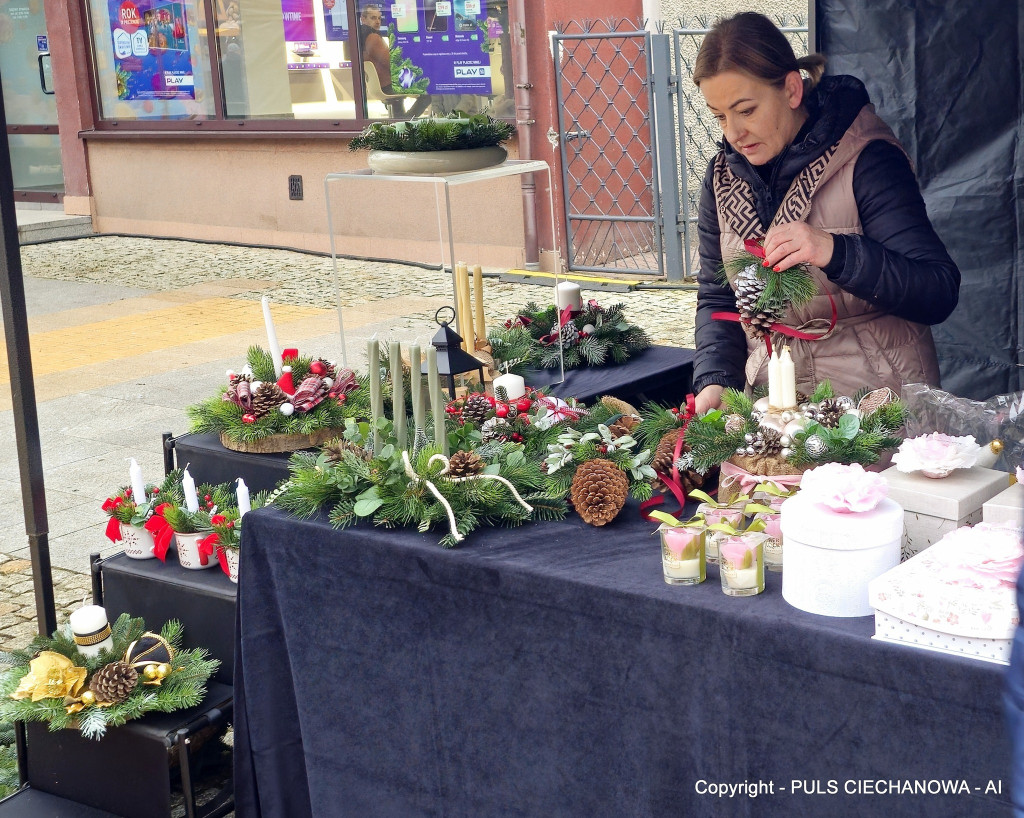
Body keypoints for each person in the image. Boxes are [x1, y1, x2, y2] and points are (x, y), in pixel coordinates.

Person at [690, 12, 960, 415]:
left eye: (746, 110)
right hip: (774, 411)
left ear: (792, 89)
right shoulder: (721, 179)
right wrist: (715, 378)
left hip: (877, 407)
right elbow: (717, 298)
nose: (733, 132)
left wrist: (835, 251)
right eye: (719, 116)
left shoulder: (867, 159)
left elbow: (937, 291)